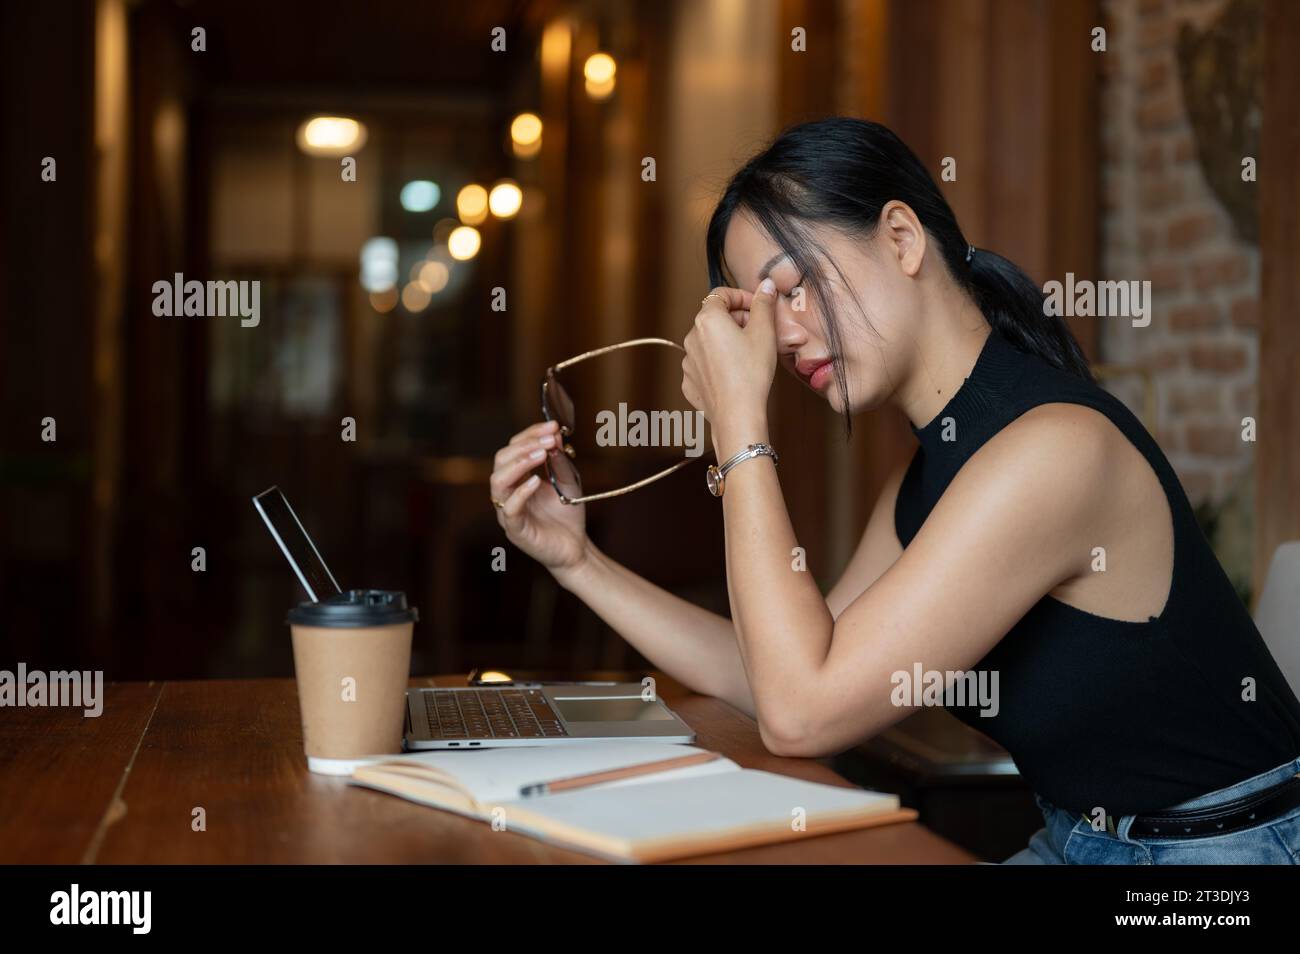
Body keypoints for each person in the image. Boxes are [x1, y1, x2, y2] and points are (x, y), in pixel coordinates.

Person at [489, 118, 1300, 864]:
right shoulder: (932, 474)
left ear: (903, 237)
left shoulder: (1054, 451)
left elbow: (800, 713)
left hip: (1221, 863)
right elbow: (780, 672)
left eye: (793, 284)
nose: (782, 335)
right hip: (1082, 841)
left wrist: (739, 424)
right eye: (763, 310)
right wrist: (578, 560)